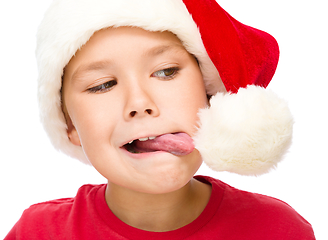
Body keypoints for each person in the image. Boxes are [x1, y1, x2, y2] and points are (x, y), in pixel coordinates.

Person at [5, 0, 315, 239]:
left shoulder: (278, 229)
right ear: (70, 125)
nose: (140, 103)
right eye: (103, 85)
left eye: (166, 71)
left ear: (209, 96)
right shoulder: (38, 232)